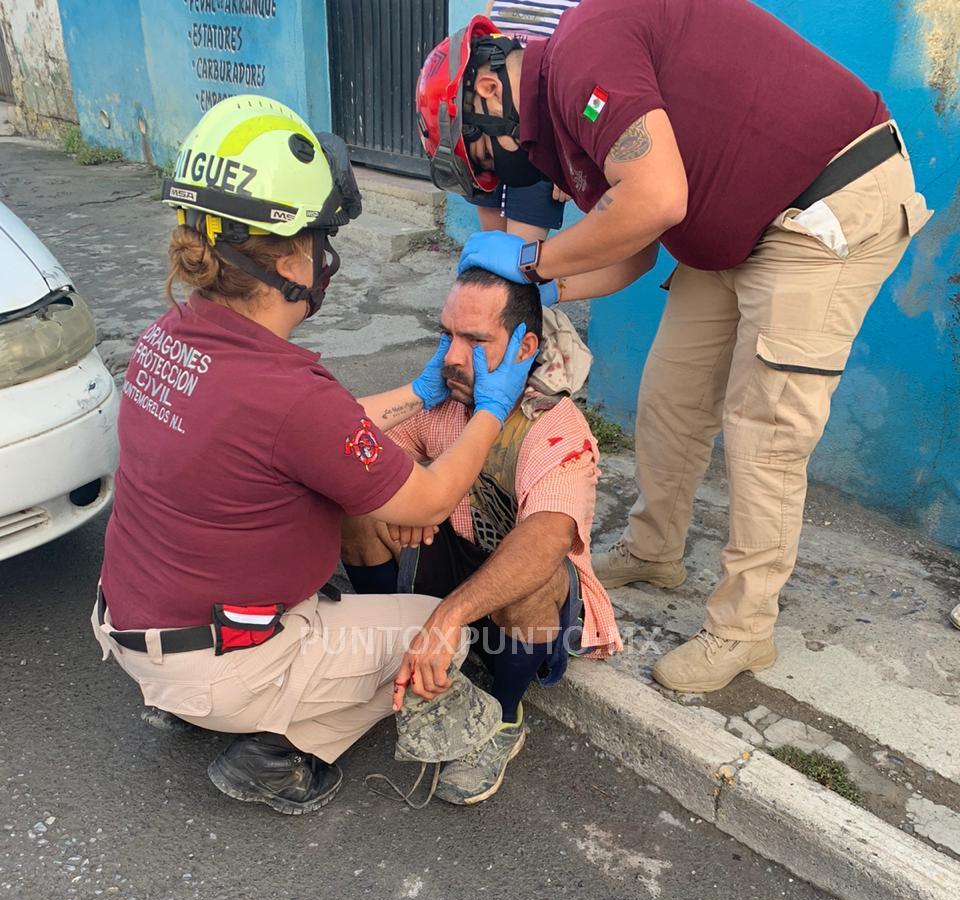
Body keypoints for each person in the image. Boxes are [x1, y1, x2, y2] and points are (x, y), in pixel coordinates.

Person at [416, 3, 933, 694]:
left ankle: (746, 629)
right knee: (672, 396)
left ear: (486, 93)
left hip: (827, 200)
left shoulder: (580, 55)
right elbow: (630, 252)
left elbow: (655, 198)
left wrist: (534, 260)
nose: (496, 174)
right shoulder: (560, 133)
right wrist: (524, 303)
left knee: (766, 426)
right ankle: (656, 551)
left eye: (481, 157)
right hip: (737, 227)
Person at [92, 94, 535, 815]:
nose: (328, 259)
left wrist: (422, 393)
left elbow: (315, 436)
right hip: (226, 659)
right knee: (444, 639)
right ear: (294, 255)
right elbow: (424, 499)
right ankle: (276, 748)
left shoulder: (168, 337)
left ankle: (197, 701)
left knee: (345, 524)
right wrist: (489, 406)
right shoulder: (289, 394)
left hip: (133, 626)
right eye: (324, 240)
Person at [341, 266, 620, 803]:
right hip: (454, 554)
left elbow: (547, 537)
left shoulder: (554, 426)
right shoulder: (445, 401)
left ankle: (505, 719)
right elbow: (339, 443)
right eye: (446, 335)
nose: (451, 356)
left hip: (522, 600)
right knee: (362, 501)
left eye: (474, 340)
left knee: (534, 572)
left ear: (524, 347)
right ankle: (396, 651)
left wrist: (448, 617)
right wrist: (410, 475)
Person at [464, 2, 580, 241]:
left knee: (522, 254)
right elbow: (479, 46)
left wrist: (569, 159)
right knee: (493, 243)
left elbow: (577, 84)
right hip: (490, 128)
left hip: (543, 141)